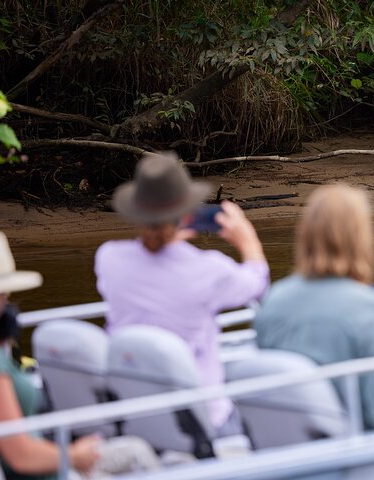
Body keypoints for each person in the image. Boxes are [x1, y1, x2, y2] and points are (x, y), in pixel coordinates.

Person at [0, 229, 159, 480]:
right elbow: (20, 456)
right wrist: (75, 454)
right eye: (3, 289)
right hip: (47, 473)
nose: (5, 299)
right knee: (137, 451)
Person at [94, 151, 269, 437]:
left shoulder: (108, 259)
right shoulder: (208, 269)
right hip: (202, 418)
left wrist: (173, 236)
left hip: (133, 414)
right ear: (187, 214)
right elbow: (257, 283)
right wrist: (248, 241)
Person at [254, 184, 374, 431]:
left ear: (305, 233)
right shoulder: (367, 307)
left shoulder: (274, 299)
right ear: (361, 238)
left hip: (288, 442)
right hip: (350, 449)